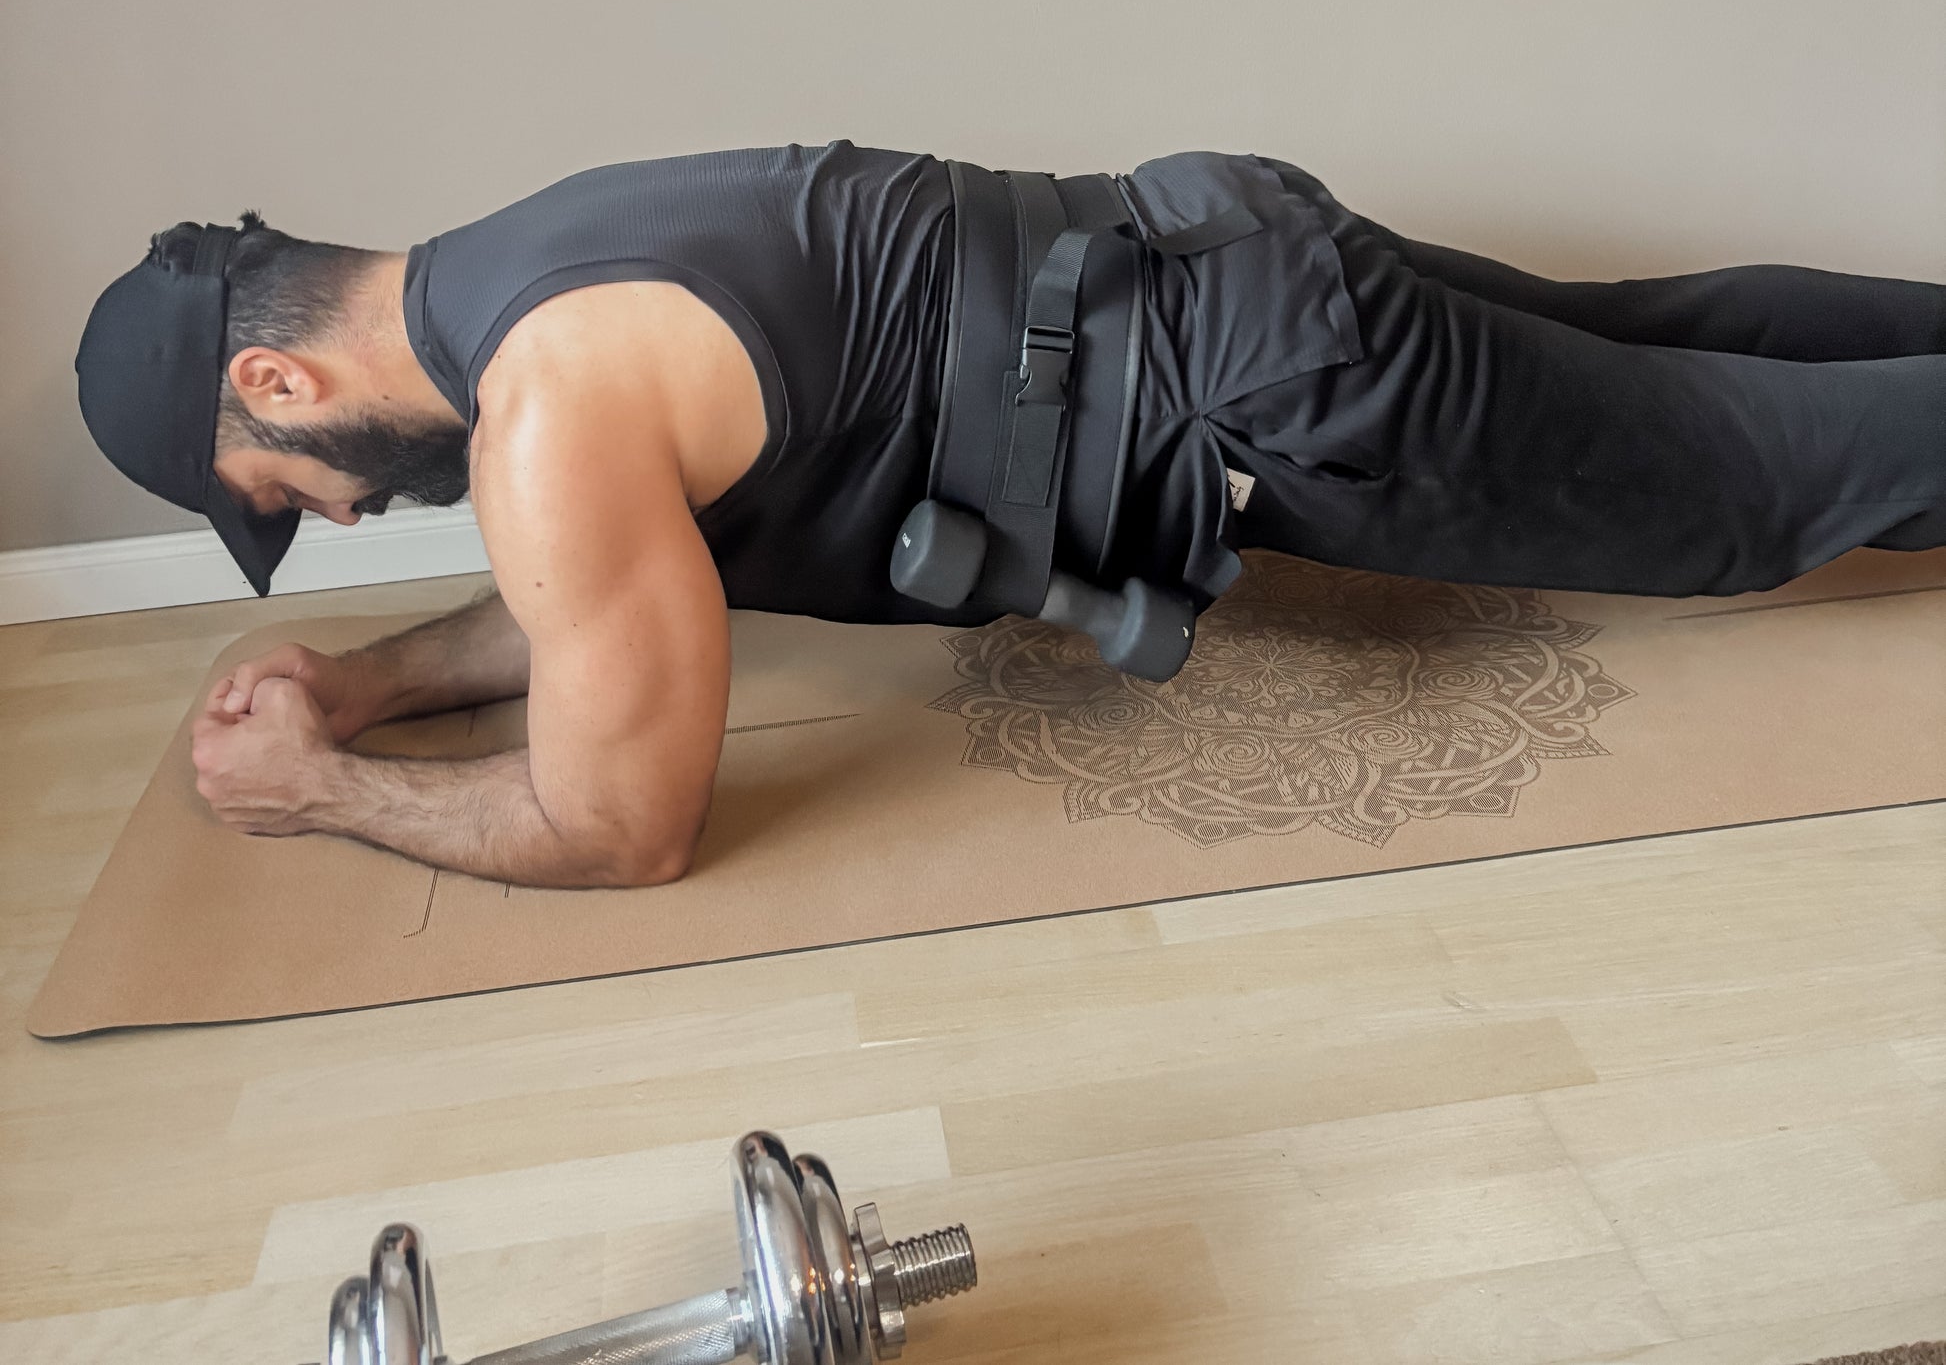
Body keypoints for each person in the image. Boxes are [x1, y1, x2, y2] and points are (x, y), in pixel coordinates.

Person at [74, 141, 1946, 890]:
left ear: (277, 380)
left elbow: (622, 823)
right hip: (1223, 245)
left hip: (1273, 395)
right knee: (1667, 346)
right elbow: (602, 600)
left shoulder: (543, 426)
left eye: (280, 496)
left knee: (1748, 490)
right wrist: (368, 684)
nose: (327, 520)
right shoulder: (529, 265)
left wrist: (321, 789)